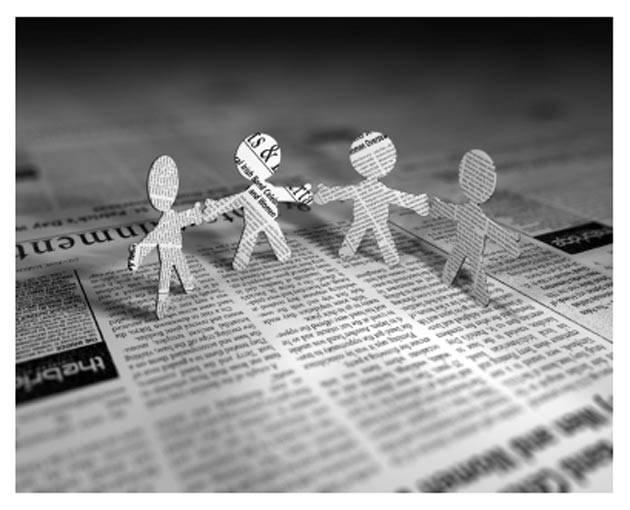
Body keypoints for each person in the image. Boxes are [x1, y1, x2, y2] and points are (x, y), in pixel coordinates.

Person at [314, 131, 429, 267]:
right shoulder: (374, 189)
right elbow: (398, 197)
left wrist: (327, 194)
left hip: (371, 219)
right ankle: (385, 257)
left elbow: (344, 192)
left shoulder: (369, 189)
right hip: (369, 219)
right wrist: (416, 202)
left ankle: (382, 257)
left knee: (366, 234)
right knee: (369, 234)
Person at [203, 132, 312, 270]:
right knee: (252, 240)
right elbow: (233, 201)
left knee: (263, 237)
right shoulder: (252, 192)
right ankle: (244, 262)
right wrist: (216, 207)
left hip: (265, 220)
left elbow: (284, 193)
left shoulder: (263, 190)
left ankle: (279, 254)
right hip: (256, 222)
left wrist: (302, 194)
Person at [431, 149, 521, 306]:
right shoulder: (472, 214)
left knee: (469, 264)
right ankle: (456, 283)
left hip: (470, 246)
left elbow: (493, 230)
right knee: (469, 265)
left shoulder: (473, 215)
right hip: (465, 244)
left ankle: (475, 294)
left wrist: (509, 242)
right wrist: (509, 242)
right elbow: (453, 211)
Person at [128, 155, 203, 319]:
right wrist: (139, 253)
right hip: (169, 254)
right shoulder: (167, 221)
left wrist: (196, 214)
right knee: (166, 277)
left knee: (177, 271)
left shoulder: (170, 217)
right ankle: (163, 304)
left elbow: (153, 238)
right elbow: (153, 238)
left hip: (175, 252)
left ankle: (186, 287)